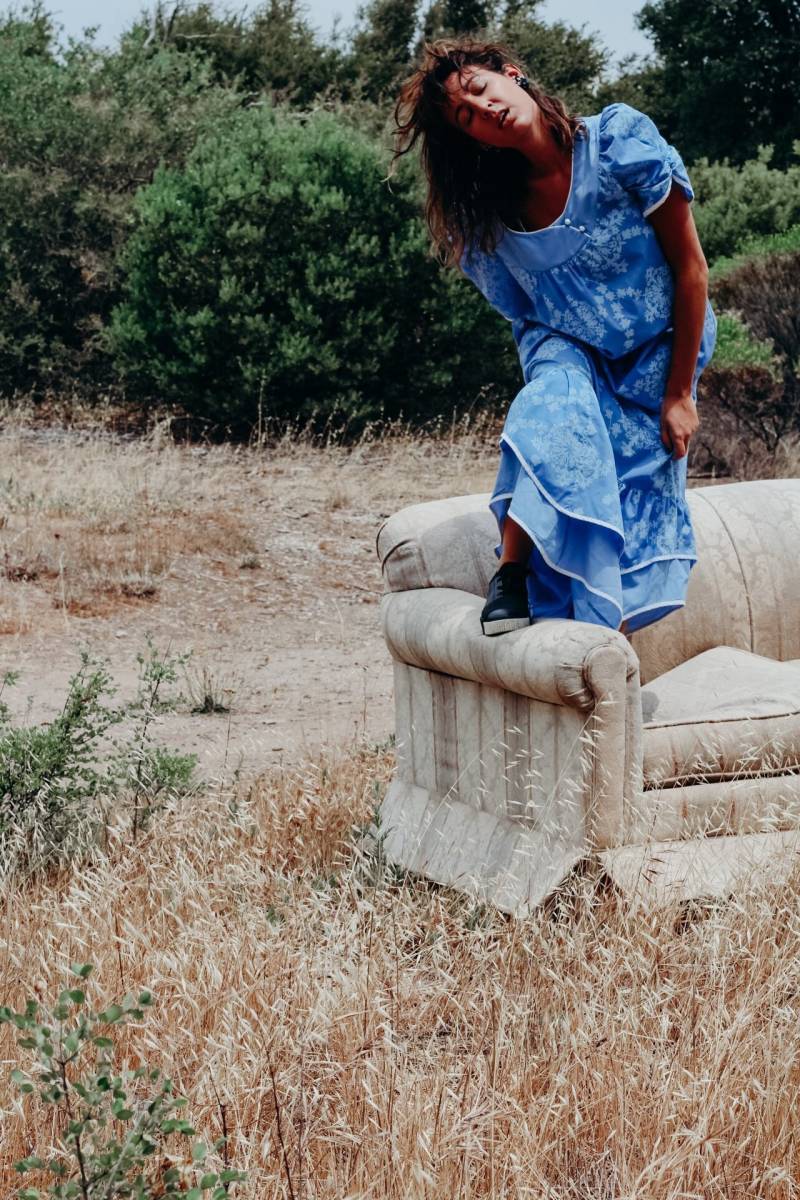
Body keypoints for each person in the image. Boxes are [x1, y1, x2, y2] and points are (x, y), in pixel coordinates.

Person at [390, 37, 717, 638]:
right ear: (471, 139)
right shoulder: (488, 217)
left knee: (632, 493)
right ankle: (508, 576)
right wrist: (565, 363)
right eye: (466, 117)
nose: (483, 110)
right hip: (568, 345)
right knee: (554, 397)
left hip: (658, 353)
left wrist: (679, 393)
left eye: (481, 91)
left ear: (511, 75)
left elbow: (691, 269)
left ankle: (591, 641)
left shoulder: (619, 144)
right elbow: (524, 310)